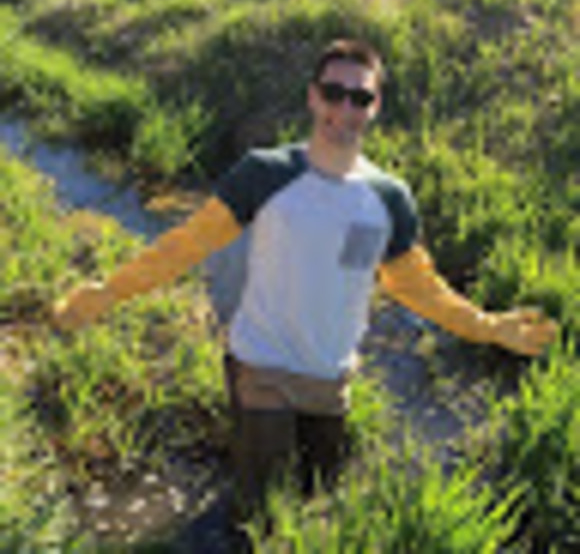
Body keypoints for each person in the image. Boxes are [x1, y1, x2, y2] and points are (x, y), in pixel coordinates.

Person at [52, 39, 557, 519]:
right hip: (261, 365)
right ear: (313, 96)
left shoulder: (388, 198)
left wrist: (487, 326)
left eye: (360, 97)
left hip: (330, 374)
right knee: (263, 505)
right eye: (334, 92)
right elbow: (186, 245)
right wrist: (110, 292)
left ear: (375, 106)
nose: (345, 109)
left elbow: (417, 286)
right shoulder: (265, 173)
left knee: (317, 493)